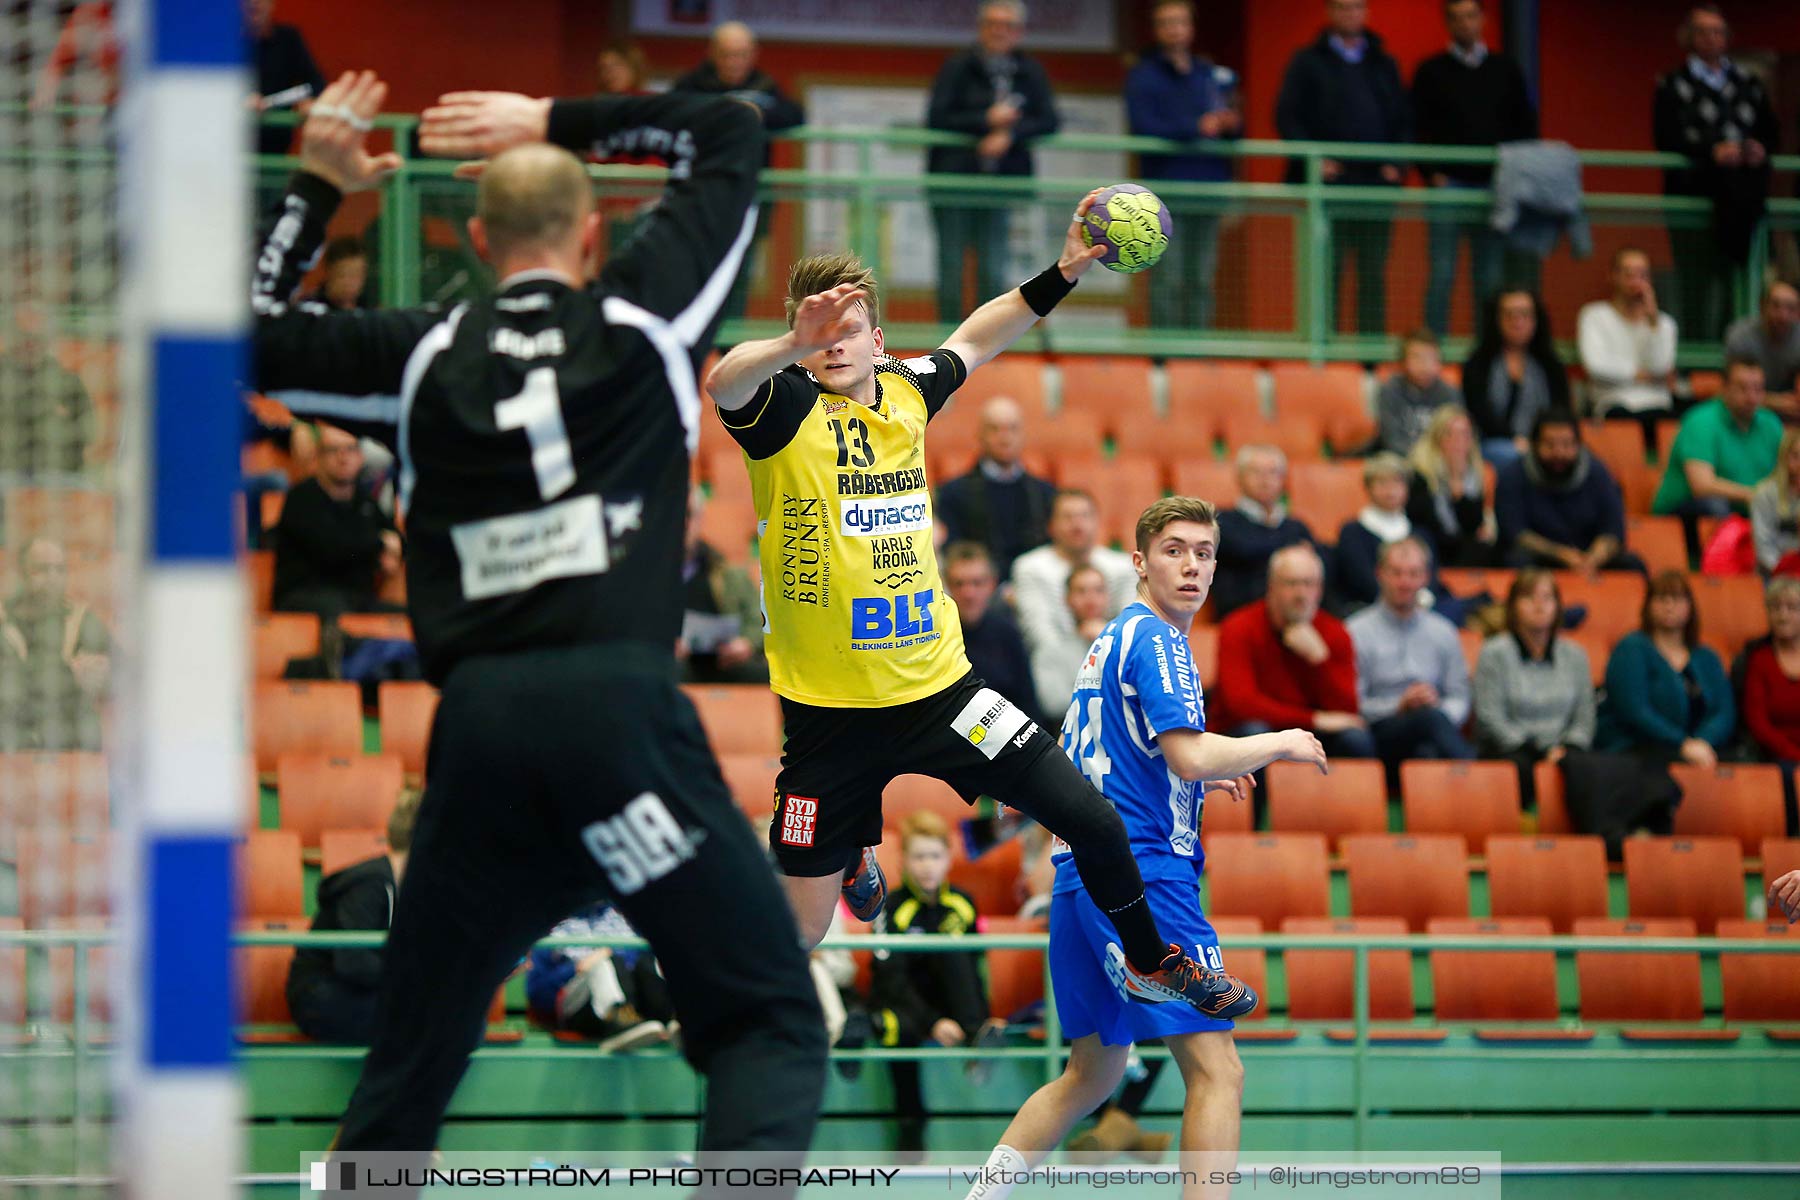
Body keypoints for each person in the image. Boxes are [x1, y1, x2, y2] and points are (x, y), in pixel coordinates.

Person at [252, 74, 828, 1180]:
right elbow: (731, 129)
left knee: (410, 1065)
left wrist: (313, 188)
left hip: (478, 742)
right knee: (769, 1021)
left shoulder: (419, 354)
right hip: (617, 723)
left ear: (477, 237)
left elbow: (247, 333)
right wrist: (556, 119)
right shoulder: (651, 317)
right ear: (595, 229)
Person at [704, 229, 1254, 1012]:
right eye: (819, 333)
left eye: (846, 327)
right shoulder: (785, 408)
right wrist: (795, 337)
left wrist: (1066, 271)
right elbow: (723, 384)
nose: (833, 343)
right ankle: (853, 847)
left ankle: (1150, 959)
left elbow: (980, 335)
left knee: (1090, 818)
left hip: (943, 693)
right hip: (830, 718)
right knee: (800, 934)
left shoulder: (905, 389)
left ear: (878, 339)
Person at [961, 496, 1328, 1200]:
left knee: (1091, 1074)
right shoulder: (1160, 640)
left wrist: (1200, 773)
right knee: (1219, 1071)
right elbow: (1187, 756)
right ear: (1138, 561)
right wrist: (1279, 742)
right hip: (1142, 876)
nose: (1191, 565)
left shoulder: (1111, 639)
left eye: (1204, 552)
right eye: (1174, 550)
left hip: (1079, 876)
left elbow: (1123, 756)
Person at [872, 811, 1009, 1155]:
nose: (927, 866)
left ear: (948, 859)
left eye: (934, 856)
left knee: (954, 949)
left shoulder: (963, 904)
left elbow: (978, 968)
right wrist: (932, 1023)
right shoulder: (891, 907)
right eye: (919, 856)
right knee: (895, 1028)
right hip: (908, 1004)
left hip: (955, 1004)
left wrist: (985, 1012)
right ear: (904, 859)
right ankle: (911, 1125)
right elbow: (891, 981)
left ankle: (978, 1032)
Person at [1275, 0, 1411, 336]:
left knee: (1372, 275)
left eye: (1356, 7)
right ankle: (1325, 353)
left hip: (1375, 187)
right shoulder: (1307, 62)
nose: (1350, 14)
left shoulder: (1384, 62)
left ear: (1366, 13)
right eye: (1342, 7)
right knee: (1326, 273)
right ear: (1329, 12)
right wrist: (1315, 160)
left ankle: (1370, 357)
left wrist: (1397, 163)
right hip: (1327, 188)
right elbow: (1287, 117)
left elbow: (1405, 120)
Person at [1410, 0, 1539, 337]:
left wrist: (1511, 177)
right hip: (1448, 186)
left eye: (1471, 16)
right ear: (1447, 23)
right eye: (1457, 18)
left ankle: (1488, 349)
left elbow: (1525, 128)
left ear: (1482, 19)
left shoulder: (1505, 69)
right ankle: (1432, 349)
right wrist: (1430, 173)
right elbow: (1414, 127)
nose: (1465, 24)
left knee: (1490, 278)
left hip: (1496, 189)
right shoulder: (1430, 71)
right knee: (1442, 273)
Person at [926, 0, 1059, 322]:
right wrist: (985, 120)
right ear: (981, 27)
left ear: (1019, 31)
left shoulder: (1029, 70)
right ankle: (946, 348)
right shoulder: (958, 66)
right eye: (993, 23)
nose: (1000, 30)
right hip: (954, 182)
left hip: (1000, 185)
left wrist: (1011, 135)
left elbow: (1049, 119)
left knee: (993, 266)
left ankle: (986, 344)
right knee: (951, 266)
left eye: (1008, 25)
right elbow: (937, 117)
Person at [1653, 5, 1779, 342]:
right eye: (1703, 31)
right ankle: (1696, 360)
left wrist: (1758, 148)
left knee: (1734, 282)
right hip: (1692, 199)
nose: (1711, 38)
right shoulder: (1672, 83)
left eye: (1718, 31)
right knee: (1695, 283)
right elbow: (1666, 138)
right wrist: (1711, 153)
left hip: (1741, 201)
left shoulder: (1748, 83)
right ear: (1688, 38)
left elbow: (1771, 133)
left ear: (1727, 38)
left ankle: (1734, 353)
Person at [671, 22, 805, 327]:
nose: (734, 63)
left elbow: (794, 115)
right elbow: (672, 115)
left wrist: (756, 112)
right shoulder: (691, 86)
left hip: (748, 199)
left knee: (739, 275)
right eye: (728, 55)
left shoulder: (764, 86)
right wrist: (728, 113)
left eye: (742, 55)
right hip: (699, 197)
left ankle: (727, 347)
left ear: (753, 55)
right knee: (694, 272)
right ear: (713, 54)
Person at [1124, 0, 1240, 330]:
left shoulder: (1209, 74)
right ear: (1156, 30)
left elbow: (1230, 130)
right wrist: (1195, 128)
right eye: (1166, 22)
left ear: (1191, 27)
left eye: (1180, 21)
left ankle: (1196, 355)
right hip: (1164, 192)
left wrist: (1231, 123)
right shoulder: (1144, 76)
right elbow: (1143, 125)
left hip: (1209, 187)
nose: (1174, 28)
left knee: (1202, 277)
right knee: (1168, 278)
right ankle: (1165, 357)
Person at [1214, 544, 1377, 760]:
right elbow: (1242, 705)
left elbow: (1346, 711)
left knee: (1355, 739)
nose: (1301, 594)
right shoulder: (1239, 626)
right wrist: (1314, 719)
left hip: (1310, 734)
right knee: (1252, 732)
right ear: (1271, 587)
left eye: (1309, 584)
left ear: (1320, 590)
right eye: (1291, 584)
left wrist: (1319, 661)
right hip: (1256, 729)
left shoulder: (1335, 632)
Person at [286, 791, 421, 1044]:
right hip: (320, 996)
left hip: (359, 993)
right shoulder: (371, 884)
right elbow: (353, 963)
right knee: (428, 1018)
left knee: (449, 1017)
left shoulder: (407, 889)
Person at [1347, 537, 1475, 781]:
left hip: (1433, 730)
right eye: (1396, 573)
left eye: (1413, 574)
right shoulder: (1355, 631)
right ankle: (1481, 782)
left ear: (1426, 577)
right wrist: (1399, 705)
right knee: (1428, 721)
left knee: (1428, 742)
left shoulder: (1443, 631)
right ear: (1379, 574)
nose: (1404, 582)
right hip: (1379, 732)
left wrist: (1439, 710)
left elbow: (1460, 697)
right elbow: (1353, 704)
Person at [1472, 571, 1596, 808]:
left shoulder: (1575, 655)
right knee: (1518, 767)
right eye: (1529, 598)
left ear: (1558, 606)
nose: (1539, 606)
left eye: (1547, 598)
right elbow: (1490, 717)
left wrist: (1567, 747)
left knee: (1591, 766)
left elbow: (1584, 718)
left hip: (1564, 750)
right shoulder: (1494, 653)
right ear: (1513, 606)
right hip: (1513, 749)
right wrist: (1537, 750)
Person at [1596, 570, 1734, 766]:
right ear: (1648, 605)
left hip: (1702, 751)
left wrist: (1703, 742)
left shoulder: (1707, 657)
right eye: (1661, 599)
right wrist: (1683, 744)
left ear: (1690, 607)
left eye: (1677, 599)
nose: (1669, 606)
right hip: (1641, 750)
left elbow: (1724, 711)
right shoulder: (1631, 649)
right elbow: (1634, 710)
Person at [1653, 356, 1782, 560]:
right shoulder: (1701, 421)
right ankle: (1721, 567)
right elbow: (1702, 485)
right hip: (1686, 512)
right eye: (1743, 388)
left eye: (1758, 389)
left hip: (1748, 509)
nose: (1751, 397)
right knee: (1714, 505)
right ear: (1724, 388)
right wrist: (1755, 495)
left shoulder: (1771, 424)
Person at [270, 422, 402, 620]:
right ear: (318, 457)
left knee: (409, 618)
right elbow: (333, 547)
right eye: (334, 450)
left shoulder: (363, 500)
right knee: (337, 612)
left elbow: (396, 538)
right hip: (304, 597)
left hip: (358, 600)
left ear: (360, 457)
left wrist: (395, 548)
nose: (343, 458)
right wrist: (381, 544)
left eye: (350, 449)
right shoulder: (301, 498)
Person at [1496, 410, 1643, 574]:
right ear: (1535, 445)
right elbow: (1515, 534)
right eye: (1550, 445)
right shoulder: (1514, 475)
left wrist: (1593, 558)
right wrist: (1561, 555)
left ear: (1578, 445)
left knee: (1632, 565)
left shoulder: (1597, 473)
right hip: (1541, 559)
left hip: (1588, 557)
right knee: (1515, 560)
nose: (1559, 453)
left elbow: (1614, 529)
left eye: (1567, 445)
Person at [0, 537, 109, 752]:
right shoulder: (3, 619)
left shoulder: (82, 620)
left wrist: (104, 674)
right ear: (22, 574)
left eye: (60, 570)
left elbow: (126, 675)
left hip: (70, 745)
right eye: (42, 569)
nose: (52, 578)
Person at [525, 900, 678, 1052]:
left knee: (647, 960)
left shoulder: (627, 916)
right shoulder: (548, 924)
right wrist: (576, 968)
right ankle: (619, 1023)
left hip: (636, 1003)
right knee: (603, 963)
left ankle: (670, 1019)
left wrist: (616, 956)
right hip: (580, 1007)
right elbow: (537, 993)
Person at [935, 396, 1057, 582]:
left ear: (1023, 434)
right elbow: (953, 552)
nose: (1005, 437)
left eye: (1012, 429)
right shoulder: (952, 493)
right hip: (976, 591)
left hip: (1035, 584)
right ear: (980, 435)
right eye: (995, 429)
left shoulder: (1045, 493)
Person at [1012, 488, 1138, 656]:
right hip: (1054, 665)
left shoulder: (1123, 567)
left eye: (1085, 516)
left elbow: (1132, 631)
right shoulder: (1030, 568)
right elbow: (1040, 635)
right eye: (1067, 517)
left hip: (1115, 661)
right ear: (1051, 525)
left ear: (1098, 522)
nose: (1077, 525)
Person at [1461, 288, 1572, 466]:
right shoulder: (1479, 363)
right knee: (1515, 458)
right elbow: (1478, 414)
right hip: (1492, 443)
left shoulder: (1551, 365)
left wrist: (1540, 442)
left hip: (1547, 443)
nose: (1517, 321)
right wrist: (1514, 440)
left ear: (1536, 319)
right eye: (1509, 314)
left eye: (1524, 314)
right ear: (1496, 319)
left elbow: (1561, 412)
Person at [1212, 444, 1317, 617]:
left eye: (1273, 472)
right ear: (1239, 477)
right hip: (1241, 617)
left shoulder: (1297, 526)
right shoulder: (1221, 522)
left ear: (1283, 480)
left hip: (1296, 616)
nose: (1265, 479)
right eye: (1256, 472)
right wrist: (1291, 547)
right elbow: (1244, 549)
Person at [944, 541, 1042, 725]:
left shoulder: (1007, 633)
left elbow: (1029, 705)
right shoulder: (936, 637)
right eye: (959, 583)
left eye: (977, 583)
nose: (969, 593)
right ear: (947, 586)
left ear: (992, 585)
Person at [678, 489, 768, 685]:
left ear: (699, 519)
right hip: (672, 664)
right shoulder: (648, 575)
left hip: (727, 663)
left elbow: (759, 620)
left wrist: (746, 644)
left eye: (687, 515)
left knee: (768, 675)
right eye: (674, 514)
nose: (681, 524)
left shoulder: (728, 573)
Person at [1577, 247, 1678, 421]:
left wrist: (1653, 323)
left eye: (1642, 275)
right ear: (1613, 276)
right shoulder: (1594, 315)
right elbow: (1596, 367)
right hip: (1612, 405)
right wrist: (1644, 376)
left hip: (1658, 407)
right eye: (1629, 274)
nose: (1635, 282)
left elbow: (1660, 366)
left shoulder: (1664, 323)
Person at [1331, 451, 1427, 613]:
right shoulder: (1352, 532)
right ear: (1368, 488)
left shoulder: (1420, 534)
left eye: (1397, 482)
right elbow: (1361, 581)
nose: (1391, 490)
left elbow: (1429, 580)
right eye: (1382, 483)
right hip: (1367, 610)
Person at [1406, 404, 1497, 568]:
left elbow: (1474, 525)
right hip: (1433, 545)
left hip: (1462, 548)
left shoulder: (1476, 474)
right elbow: (1421, 521)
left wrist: (1459, 491)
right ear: (1437, 437)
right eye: (1450, 434)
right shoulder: (1419, 474)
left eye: (1465, 434)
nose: (1459, 441)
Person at [1030, 563, 1111, 719]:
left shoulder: (1127, 643)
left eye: (1098, 590)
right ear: (1067, 599)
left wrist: (1107, 641)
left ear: (1108, 596)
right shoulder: (1050, 650)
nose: (1091, 599)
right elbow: (1054, 705)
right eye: (1081, 591)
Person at [247, 0, 325, 155]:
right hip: (233, 149)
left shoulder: (289, 39)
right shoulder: (224, 44)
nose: (254, 3)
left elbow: (317, 84)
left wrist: (308, 100)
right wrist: (238, 100)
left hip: (277, 149)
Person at [1741, 576, 1800, 766]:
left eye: (1791, 608)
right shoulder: (1758, 659)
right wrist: (1794, 755)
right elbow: (1759, 724)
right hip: (1777, 757)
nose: (1783, 616)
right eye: (1776, 608)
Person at [1376, 330, 1463, 457]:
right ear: (1403, 362)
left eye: (1430, 358)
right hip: (1400, 459)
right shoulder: (1390, 390)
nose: (1424, 365)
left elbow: (1457, 438)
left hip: (1438, 461)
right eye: (1417, 357)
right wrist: (1418, 458)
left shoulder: (1450, 394)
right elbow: (1391, 439)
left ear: (1439, 362)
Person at [1726, 280, 1800, 415]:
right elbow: (1736, 393)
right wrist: (1778, 402)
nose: (1783, 315)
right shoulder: (1741, 336)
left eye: (1791, 308)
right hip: (1749, 412)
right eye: (1776, 306)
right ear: (1762, 306)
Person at [1750, 429, 1800, 576]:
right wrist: (1782, 572)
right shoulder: (1764, 493)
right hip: (1774, 573)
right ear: (1784, 458)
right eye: (1796, 456)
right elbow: (1763, 547)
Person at [303, 235, 369, 311]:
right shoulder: (309, 309)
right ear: (329, 272)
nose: (350, 283)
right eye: (343, 275)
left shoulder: (366, 311)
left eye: (357, 275)